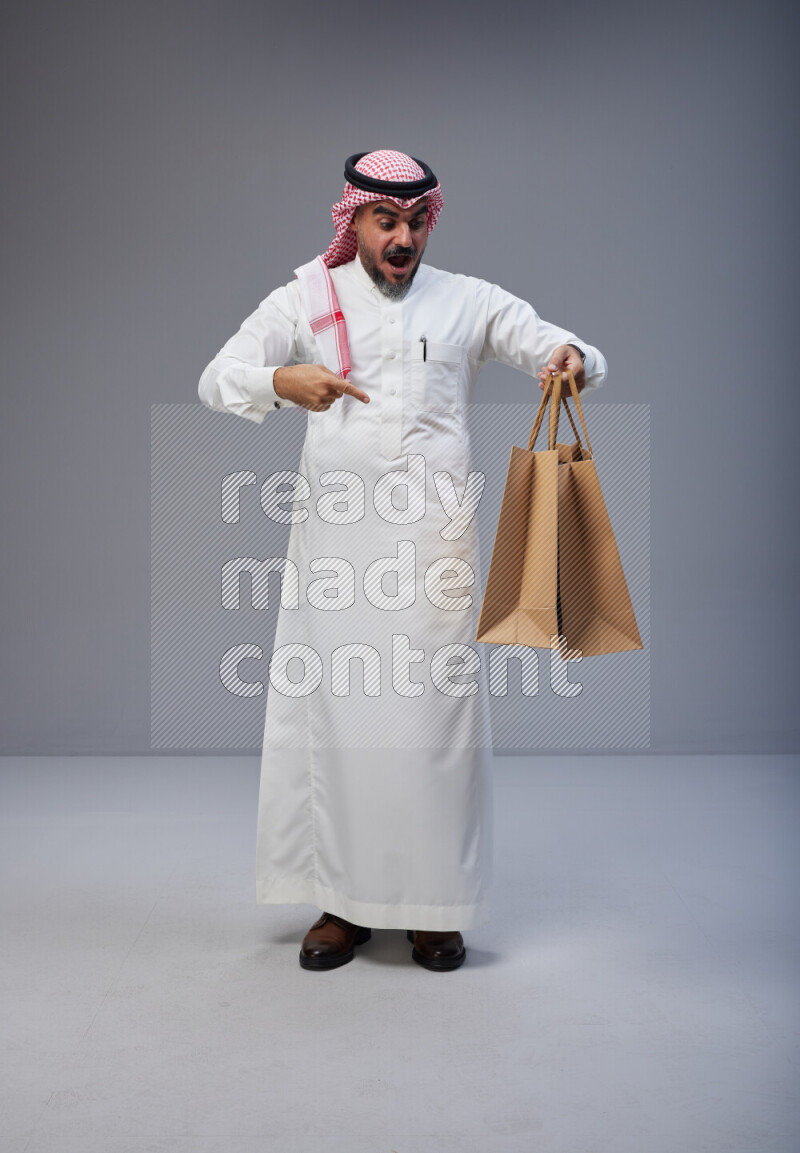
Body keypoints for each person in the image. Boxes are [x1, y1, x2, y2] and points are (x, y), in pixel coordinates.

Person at [198, 149, 607, 973]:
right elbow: (218, 378)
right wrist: (283, 381)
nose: (404, 236)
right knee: (341, 726)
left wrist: (573, 358)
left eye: (417, 220)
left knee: (431, 730)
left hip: (433, 552)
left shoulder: (466, 301)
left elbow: (553, 343)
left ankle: (432, 908)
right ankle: (341, 905)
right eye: (387, 219)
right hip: (336, 554)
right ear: (356, 219)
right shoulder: (308, 297)